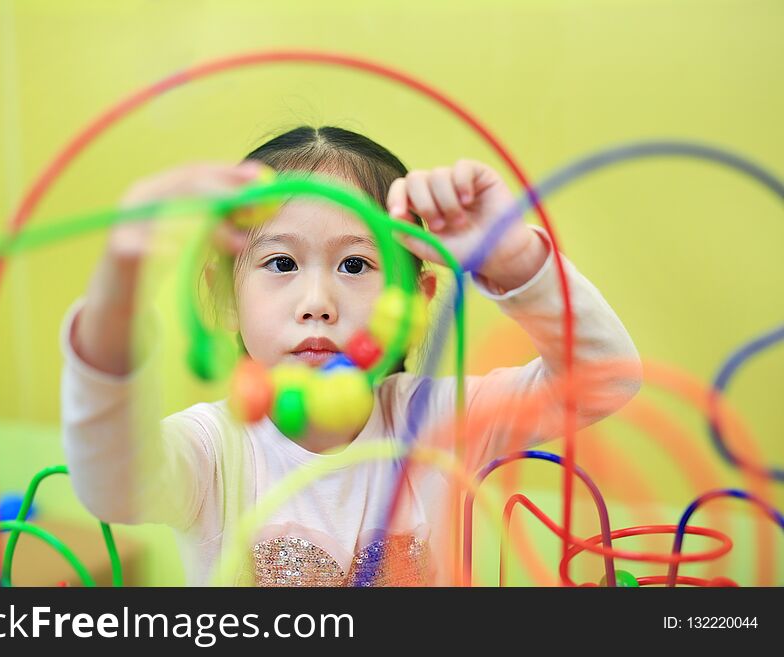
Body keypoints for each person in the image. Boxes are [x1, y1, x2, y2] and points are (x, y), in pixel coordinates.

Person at [60, 126, 641, 586]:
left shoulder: (437, 423)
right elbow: (114, 484)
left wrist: (512, 258)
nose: (317, 304)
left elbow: (602, 380)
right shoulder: (215, 450)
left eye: (356, 265)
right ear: (224, 296)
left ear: (416, 299)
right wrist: (116, 299)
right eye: (281, 264)